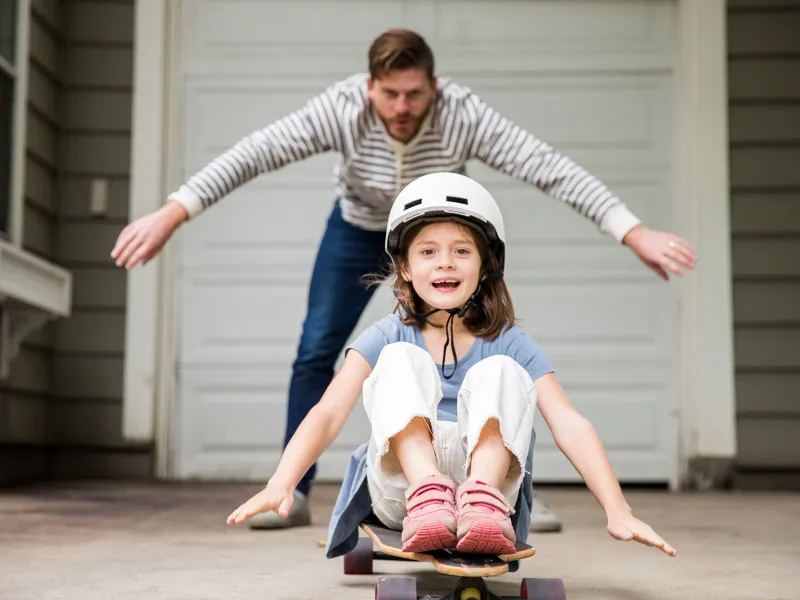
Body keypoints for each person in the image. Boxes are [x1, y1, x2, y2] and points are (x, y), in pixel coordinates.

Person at [110, 28, 695, 533]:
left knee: (497, 354)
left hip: (445, 233)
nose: (401, 106)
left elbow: (548, 166)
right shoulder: (342, 109)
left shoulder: (462, 115)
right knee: (320, 348)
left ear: (433, 88)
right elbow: (254, 153)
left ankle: (500, 487)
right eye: (389, 93)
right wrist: (172, 212)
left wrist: (631, 230)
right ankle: (293, 493)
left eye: (414, 93)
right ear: (370, 88)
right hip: (362, 227)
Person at [226, 172, 677, 563]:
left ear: (485, 267)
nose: (445, 261)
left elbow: (570, 424)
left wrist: (618, 509)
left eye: (462, 250)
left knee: (501, 369)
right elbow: (327, 413)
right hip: (404, 493)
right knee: (400, 360)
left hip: (489, 495)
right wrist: (282, 482)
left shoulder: (509, 344)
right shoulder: (386, 337)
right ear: (403, 267)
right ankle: (431, 494)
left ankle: (479, 502)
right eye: (428, 252)